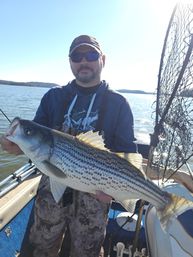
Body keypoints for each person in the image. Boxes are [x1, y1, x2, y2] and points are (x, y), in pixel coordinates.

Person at [0, 35, 138, 257]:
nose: (83, 61)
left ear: (103, 59)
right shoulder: (54, 97)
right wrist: (12, 145)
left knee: (87, 252)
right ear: (70, 61)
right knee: (42, 247)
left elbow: (129, 156)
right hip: (50, 193)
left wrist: (115, 192)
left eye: (91, 55)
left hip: (95, 193)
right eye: (77, 56)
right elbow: (32, 143)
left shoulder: (118, 104)